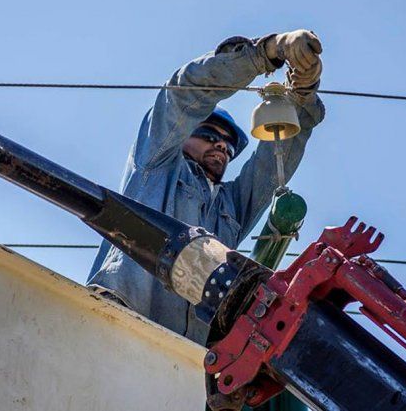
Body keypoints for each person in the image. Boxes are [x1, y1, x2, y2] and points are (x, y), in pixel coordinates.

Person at [87, 30, 326, 344]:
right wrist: (261, 55)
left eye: (228, 146)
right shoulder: (157, 166)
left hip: (188, 354)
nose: (222, 147)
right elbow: (183, 96)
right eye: (210, 135)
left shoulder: (229, 207)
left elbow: (271, 169)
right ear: (184, 132)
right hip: (121, 321)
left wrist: (302, 99)